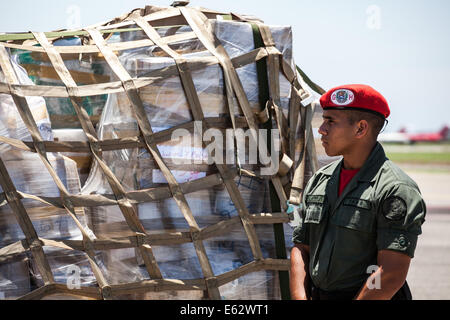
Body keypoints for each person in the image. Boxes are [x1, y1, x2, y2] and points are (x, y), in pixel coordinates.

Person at [289, 84, 426, 300]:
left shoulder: (395, 189)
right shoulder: (320, 180)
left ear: (361, 129)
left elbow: (390, 272)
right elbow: (300, 248)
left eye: (330, 121)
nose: (321, 129)